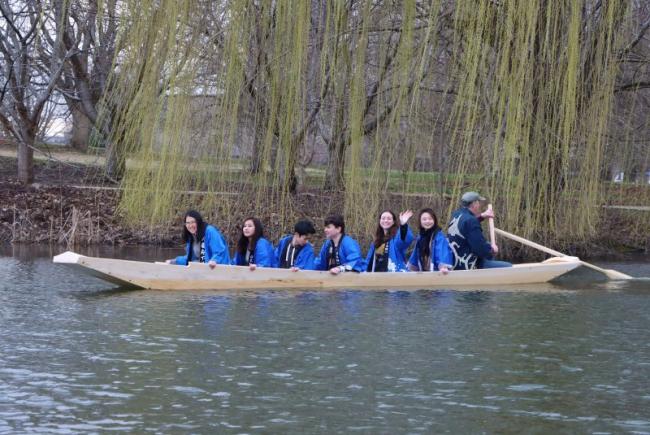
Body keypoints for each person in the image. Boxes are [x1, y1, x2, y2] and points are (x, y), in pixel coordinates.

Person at [447, 191, 512, 269]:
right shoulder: (471, 221)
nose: (479, 205)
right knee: (508, 266)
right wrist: (492, 250)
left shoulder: (456, 214)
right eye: (478, 202)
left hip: (454, 261)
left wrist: (482, 216)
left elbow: (465, 227)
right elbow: (479, 248)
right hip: (468, 265)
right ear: (474, 204)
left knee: (487, 247)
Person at [166, 210, 230, 268]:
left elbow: (220, 251)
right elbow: (190, 258)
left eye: (193, 222)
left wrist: (214, 260)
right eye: (188, 223)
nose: (190, 225)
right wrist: (175, 261)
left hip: (218, 269)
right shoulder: (191, 237)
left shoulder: (210, 231)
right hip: (203, 269)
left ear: (198, 222)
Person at [408, 208, 453, 273]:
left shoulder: (438, 236)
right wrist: (412, 267)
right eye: (424, 219)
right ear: (420, 221)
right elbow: (415, 254)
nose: (427, 221)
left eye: (430, 219)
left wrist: (443, 267)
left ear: (434, 220)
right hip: (423, 272)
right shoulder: (420, 236)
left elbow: (442, 251)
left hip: (436, 272)